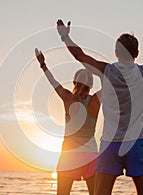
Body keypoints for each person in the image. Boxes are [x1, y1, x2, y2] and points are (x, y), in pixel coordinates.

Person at [56, 16, 143, 195]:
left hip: (110, 145)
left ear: (116, 52)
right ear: (136, 53)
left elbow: (79, 55)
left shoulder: (106, 71)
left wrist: (65, 37)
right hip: (136, 144)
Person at [35, 48, 102, 195]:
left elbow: (53, 82)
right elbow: (109, 84)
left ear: (74, 82)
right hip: (91, 154)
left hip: (69, 155)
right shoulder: (96, 100)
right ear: (91, 85)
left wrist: (43, 64)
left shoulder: (68, 98)